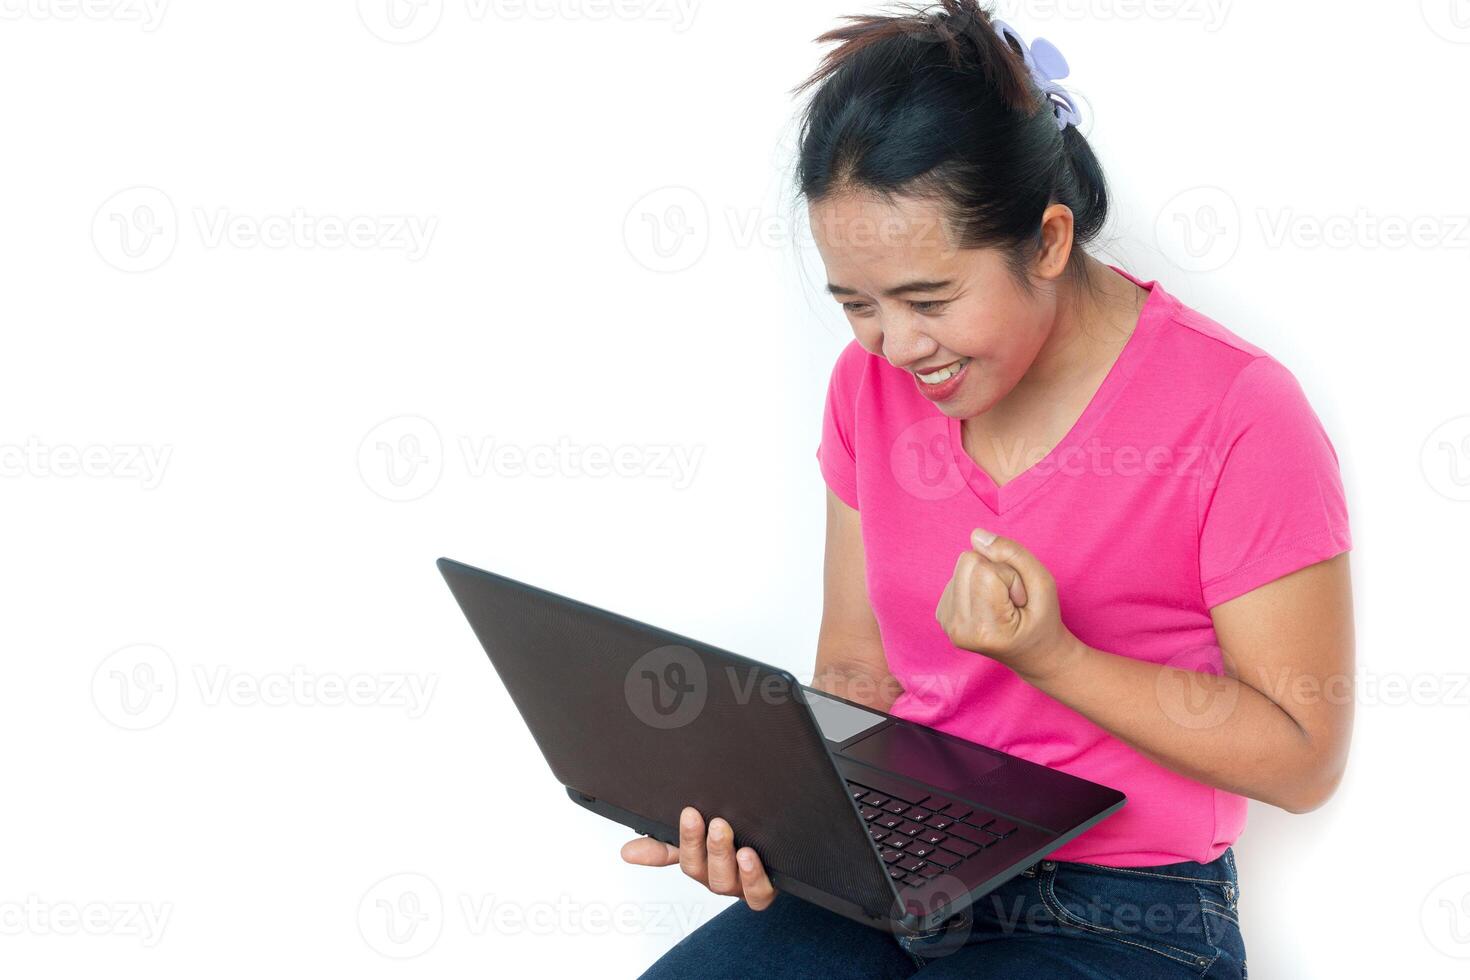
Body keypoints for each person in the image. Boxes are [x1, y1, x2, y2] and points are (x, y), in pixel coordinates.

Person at [624, 2, 1353, 975]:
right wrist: (776, 814)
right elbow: (857, 671)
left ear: (1048, 241)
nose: (896, 345)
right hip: (894, 866)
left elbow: (1305, 755)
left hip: (1129, 901)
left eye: (929, 299)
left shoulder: (1238, 410)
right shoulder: (868, 388)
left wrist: (1054, 656)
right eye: (857, 304)